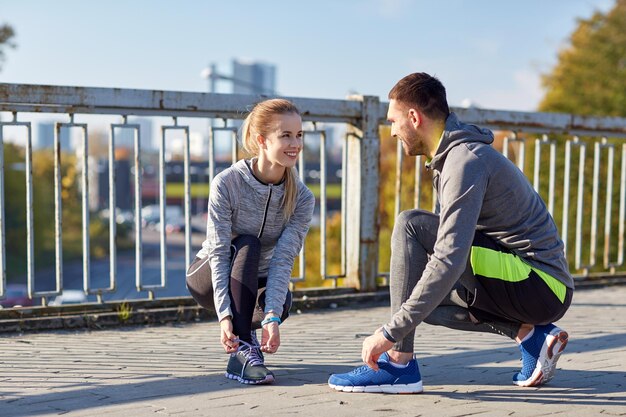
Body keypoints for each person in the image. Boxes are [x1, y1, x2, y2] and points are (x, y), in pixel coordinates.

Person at [328, 72, 573, 393]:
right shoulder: (455, 157)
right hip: (534, 287)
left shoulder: (464, 161)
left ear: (414, 117)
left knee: (410, 225)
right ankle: (531, 335)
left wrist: (389, 333)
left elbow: (449, 257)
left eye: (393, 121)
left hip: (540, 283)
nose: (391, 132)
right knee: (422, 304)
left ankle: (399, 364)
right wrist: (405, 315)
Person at [186, 98, 315, 385]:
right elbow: (219, 252)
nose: (295, 143)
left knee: (282, 303)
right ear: (261, 140)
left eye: (299, 135)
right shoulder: (227, 183)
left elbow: (283, 259)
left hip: (254, 279)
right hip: (208, 278)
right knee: (248, 243)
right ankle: (242, 351)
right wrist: (224, 316)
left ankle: (247, 342)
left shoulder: (303, 198)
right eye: (285, 135)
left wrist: (271, 318)